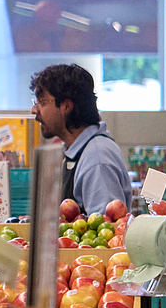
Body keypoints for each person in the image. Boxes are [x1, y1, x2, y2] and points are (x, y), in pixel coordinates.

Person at [30, 63, 133, 217]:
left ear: (66, 106)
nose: (34, 110)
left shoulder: (97, 158)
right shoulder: (77, 152)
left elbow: (107, 231)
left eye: (43, 102)